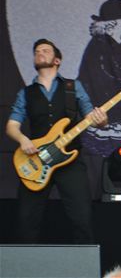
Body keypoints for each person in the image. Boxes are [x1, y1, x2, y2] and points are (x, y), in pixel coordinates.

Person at [6, 38, 108, 243]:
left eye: (46, 50)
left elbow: (92, 118)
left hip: (70, 160)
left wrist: (101, 120)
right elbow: (11, 126)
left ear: (57, 60)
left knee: (82, 217)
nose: (40, 53)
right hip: (36, 159)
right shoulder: (26, 93)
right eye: (37, 51)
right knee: (27, 219)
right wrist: (23, 139)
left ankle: (83, 268)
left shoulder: (73, 87)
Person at [78, 0, 121, 140]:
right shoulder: (99, 45)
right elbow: (104, 73)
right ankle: (106, 125)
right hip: (99, 98)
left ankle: (115, 121)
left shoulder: (115, 45)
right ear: (110, 26)